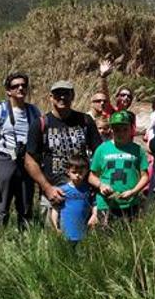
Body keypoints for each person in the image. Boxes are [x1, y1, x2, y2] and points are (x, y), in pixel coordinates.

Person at [25, 80, 102, 225]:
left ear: (72, 95)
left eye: (66, 93)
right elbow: (29, 161)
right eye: (58, 94)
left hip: (83, 191)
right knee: (54, 239)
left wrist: (97, 185)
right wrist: (47, 188)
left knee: (84, 236)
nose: (62, 97)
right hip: (54, 193)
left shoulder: (85, 121)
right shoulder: (41, 123)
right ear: (50, 97)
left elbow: (99, 154)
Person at [0, 71, 42, 229]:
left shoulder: (34, 112)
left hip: (27, 161)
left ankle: (26, 240)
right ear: (8, 91)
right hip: (5, 160)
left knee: (26, 204)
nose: (20, 88)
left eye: (23, 85)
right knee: (1, 204)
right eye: (15, 86)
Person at [88, 111, 149, 225]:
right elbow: (91, 176)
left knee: (128, 237)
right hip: (106, 202)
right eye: (117, 129)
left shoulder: (137, 150)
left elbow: (145, 176)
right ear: (111, 129)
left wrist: (133, 192)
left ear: (131, 129)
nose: (121, 133)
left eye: (124, 129)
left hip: (130, 202)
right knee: (105, 237)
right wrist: (101, 185)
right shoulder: (102, 149)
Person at [50, 154, 93, 243]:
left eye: (81, 172)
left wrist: (94, 216)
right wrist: (55, 227)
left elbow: (94, 205)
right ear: (68, 172)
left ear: (86, 172)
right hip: (65, 233)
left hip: (84, 234)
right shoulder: (62, 190)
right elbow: (55, 209)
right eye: (74, 172)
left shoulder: (88, 189)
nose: (77, 175)